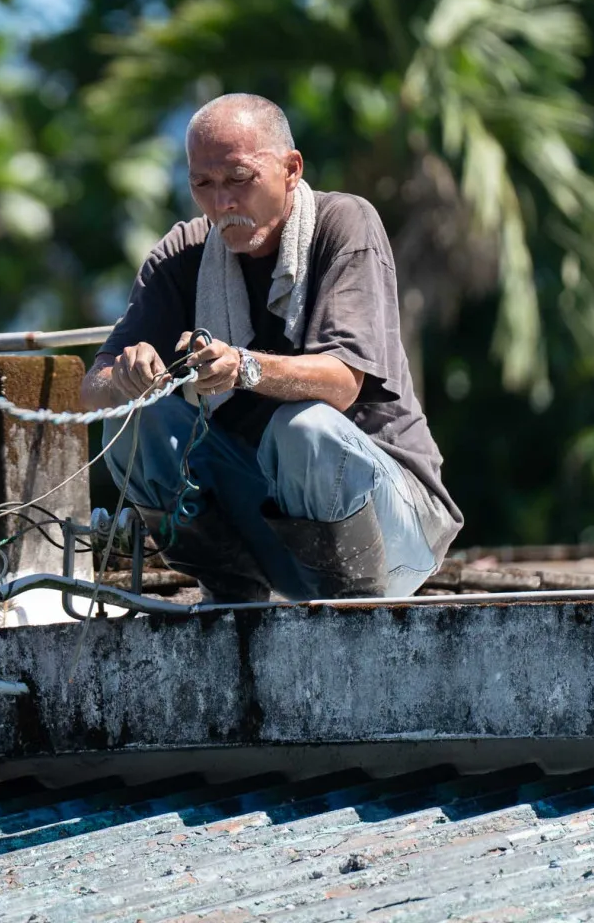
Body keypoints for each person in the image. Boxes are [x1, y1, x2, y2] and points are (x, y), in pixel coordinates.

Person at [79, 93, 461, 600]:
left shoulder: (344, 223)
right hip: (272, 527)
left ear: (290, 169)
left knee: (302, 429)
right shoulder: (182, 251)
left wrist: (245, 368)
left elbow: (344, 383)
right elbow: (92, 388)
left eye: (239, 179)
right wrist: (124, 377)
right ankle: (232, 597)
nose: (223, 203)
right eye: (203, 184)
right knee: (133, 421)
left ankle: (349, 617)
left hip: (395, 526)